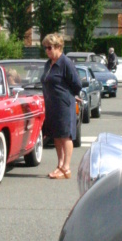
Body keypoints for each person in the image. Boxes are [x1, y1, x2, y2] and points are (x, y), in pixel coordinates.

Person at [40, 33, 82, 179]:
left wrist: (70, 96)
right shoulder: (48, 64)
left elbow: (77, 84)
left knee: (65, 136)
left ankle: (66, 167)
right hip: (51, 104)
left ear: (58, 47)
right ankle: (59, 165)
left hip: (63, 104)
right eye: (45, 48)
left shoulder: (65, 63)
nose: (47, 50)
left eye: (49, 47)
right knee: (56, 136)